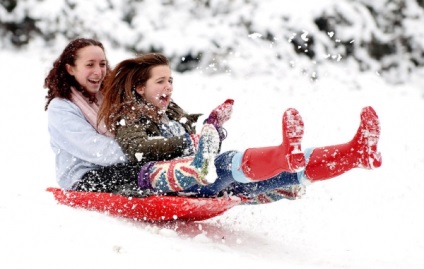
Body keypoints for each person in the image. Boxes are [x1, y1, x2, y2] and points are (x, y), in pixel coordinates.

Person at [97, 53, 382, 203]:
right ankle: (212, 158)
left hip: (203, 182)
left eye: (170, 80)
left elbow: (188, 123)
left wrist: (209, 122)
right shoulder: (128, 116)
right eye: (160, 82)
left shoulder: (169, 110)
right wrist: (189, 143)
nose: (168, 87)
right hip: (174, 183)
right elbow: (136, 150)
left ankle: (354, 153)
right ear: (139, 88)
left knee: (283, 176)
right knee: (225, 165)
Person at [44, 38, 148, 195]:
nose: (98, 72)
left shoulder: (108, 96)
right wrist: (143, 152)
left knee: (157, 168)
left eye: (102, 64)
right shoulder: (61, 108)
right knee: (149, 173)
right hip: (84, 177)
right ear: (70, 69)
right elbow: (98, 151)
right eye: (90, 64)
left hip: (122, 165)